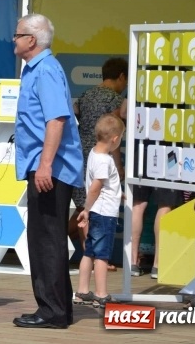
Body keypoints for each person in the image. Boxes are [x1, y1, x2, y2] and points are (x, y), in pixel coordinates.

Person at [11, 14, 83, 330]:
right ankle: (57, 308)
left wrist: (45, 164)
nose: (13, 39)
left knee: (47, 240)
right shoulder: (38, 69)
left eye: (17, 34)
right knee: (44, 238)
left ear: (31, 40)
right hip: (46, 166)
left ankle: (52, 311)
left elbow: (56, 120)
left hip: (50, 170)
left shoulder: (46, 71)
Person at [72, 56, 127, 270]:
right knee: (98, 208)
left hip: (82, 154)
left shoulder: (86, 95)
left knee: (83, 205)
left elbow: (76, 114)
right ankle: (98, 257)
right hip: (103, 155)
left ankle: (89, 253)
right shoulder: (114, 100)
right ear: (121, 76)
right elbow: (112, 136)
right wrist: (119, 166)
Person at [73, 114, 124, 308]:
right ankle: (101, 294)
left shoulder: (94, 153)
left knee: (90, 252)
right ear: (115, 139)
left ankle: (83, 291)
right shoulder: (105, 160)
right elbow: (96, 187)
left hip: (97, 210)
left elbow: (105, 185)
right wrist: (86, 209)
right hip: (103, 213)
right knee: (102, 255)